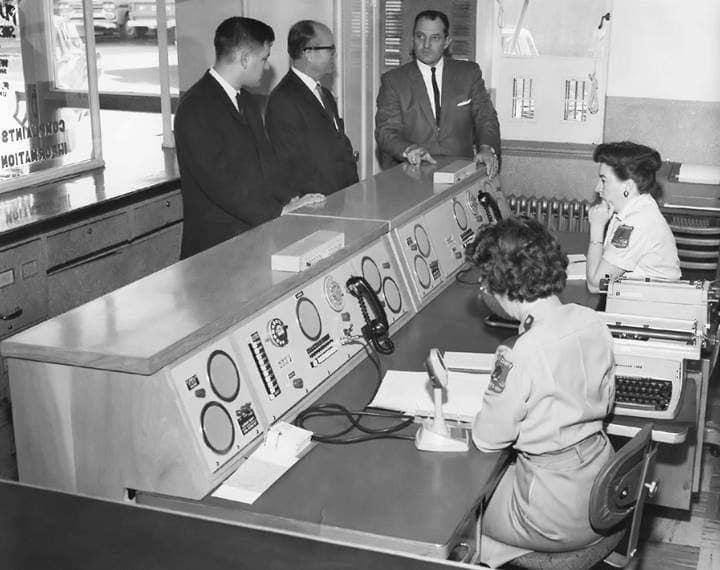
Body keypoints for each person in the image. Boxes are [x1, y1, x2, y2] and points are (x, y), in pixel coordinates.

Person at [467, 217, 616, 568]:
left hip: (552, 514)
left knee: (451, 512)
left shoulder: (519, 351)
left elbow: (489, 439)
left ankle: (491, 554)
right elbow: (607, 400)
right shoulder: (593, 320)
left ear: (498, 286)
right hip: (603, 491)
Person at [174, 17, 323, 259]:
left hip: (253, 239)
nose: (266, 67)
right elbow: (220, 183)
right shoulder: (195, 107)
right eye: (263, 59)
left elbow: (267, 163)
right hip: (215, 249)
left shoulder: (247, 101)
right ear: (244, 59)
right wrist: (279, 211)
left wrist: (294, 198)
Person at [375, 9, 500, 176]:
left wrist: (486, 148)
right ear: (413, 39)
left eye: (435, 38)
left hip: (460, 174)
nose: (426, 45)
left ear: (447, 41)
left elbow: (486, 118)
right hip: (412, 176)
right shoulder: (394, 81)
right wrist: (408, 148)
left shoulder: (469, 74)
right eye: (420, 37)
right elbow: (386, 131)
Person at [265, 20, 358, 197]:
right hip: (316, 204)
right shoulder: (283, 99)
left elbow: (339, 146)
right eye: (330, 49)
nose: (334, 54)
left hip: (341, 200)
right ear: (308, 53)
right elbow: (292, 166)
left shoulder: (325, 94)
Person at [586, 141, 681, 292]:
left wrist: (596, 228)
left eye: (604, 181)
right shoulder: (632, 208)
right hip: (638, 301)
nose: (598, 188)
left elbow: (595, 285)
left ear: (627, 187)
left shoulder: (636, 222)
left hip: (651, 308)